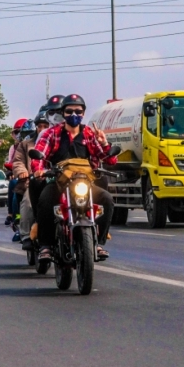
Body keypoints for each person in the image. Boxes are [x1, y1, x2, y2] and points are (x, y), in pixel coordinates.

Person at [32, 93, 117, 261]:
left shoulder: (89, 134)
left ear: (83, 113)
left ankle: (98, 243)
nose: (74, 115)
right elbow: (39, 155)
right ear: (63, 113)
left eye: (78, 111)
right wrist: (39, 169)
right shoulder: (52, 133)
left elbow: (110, 160)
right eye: (69, 111)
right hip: (58, 182)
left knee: (107, 199)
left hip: (84, 181)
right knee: (45, 200)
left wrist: (104, 143)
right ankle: (46, 246)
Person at [14, 112, 50, 251]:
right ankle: (26, 236)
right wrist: (22, 172)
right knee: (28, 202)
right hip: (33, 182)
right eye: (39, 126)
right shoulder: (25, 145)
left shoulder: (56, 140)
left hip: (56, 182)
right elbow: (18, 162)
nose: (42, 129)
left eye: (45, 126)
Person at [4, 118, 28, 226]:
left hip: (39, 175)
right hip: (23, 175)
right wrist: (15, 171)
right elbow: (15, 163)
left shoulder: (40, 143)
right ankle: (15, 216)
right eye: (17, 132)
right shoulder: (15, 147)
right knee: (14, 184)